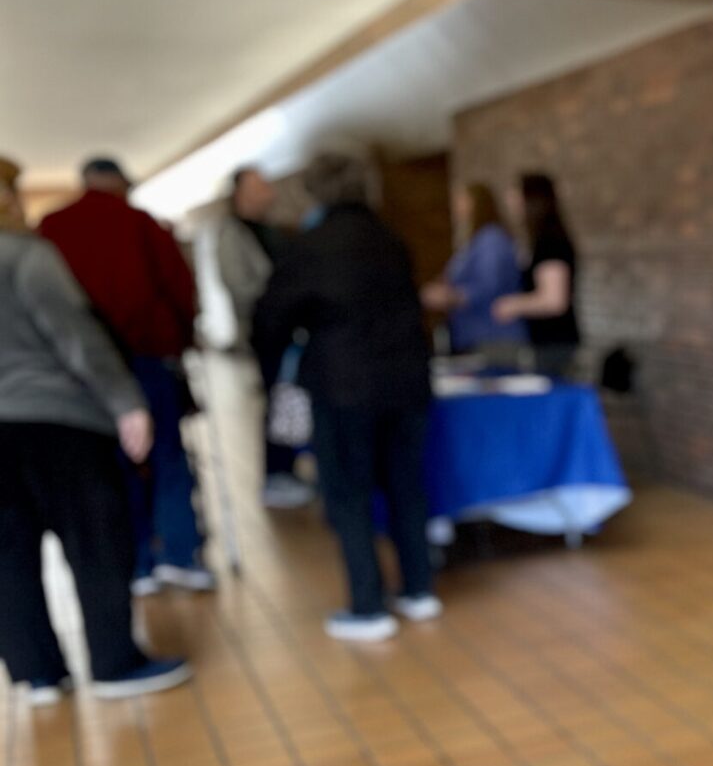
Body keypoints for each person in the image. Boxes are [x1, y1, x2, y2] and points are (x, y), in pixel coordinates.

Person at [0, 156, 192, 702]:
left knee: (8, 553)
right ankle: (113, 663)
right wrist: (126, 402)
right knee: (94, 541)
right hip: (56, 420)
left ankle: (37, 674)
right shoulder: (24, 256)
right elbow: (75, 335)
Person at [253, 152, 439, 642]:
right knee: (406, 484)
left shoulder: (309, 247)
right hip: (407, 381)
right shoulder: (391, 240)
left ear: (316, 191)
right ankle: (419, 590)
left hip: (342, 387)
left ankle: (367, 605)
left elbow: (272, 317)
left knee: (348, 492)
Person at [39, 156, 214, 595]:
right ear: (117, 182)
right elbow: (178, 286)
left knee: (112, 464)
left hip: (82, 368)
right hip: (147, 354)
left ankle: (136, 564)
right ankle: (179, 554)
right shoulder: (141, 223)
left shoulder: (52, 228)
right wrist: (184, 337)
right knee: (167, 455)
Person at [213, 166, 312, 510]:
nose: (268, 192)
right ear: (240, 193)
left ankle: (289, 467)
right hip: (267, 330)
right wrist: (279, 295)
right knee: (276, 399)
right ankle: (276, 475)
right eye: (259, 187)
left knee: (289, 398)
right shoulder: (233, 233)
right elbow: (240, 285)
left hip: (290, 328)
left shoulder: (270, 230)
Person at [493, 172, 582, 373]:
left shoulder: (550, 242)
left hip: (555, 343)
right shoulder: (538, 240)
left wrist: (512, 305)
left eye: (516, 194)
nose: (510, 201)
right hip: (546, 342)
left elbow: (554, 300)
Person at [422, 184, 524, 354]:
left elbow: (488, 285)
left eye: (461, 200)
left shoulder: (491, 239)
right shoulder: (473, 241)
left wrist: (450, 297)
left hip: (492, 334)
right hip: (471, 335)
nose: (456, 206)